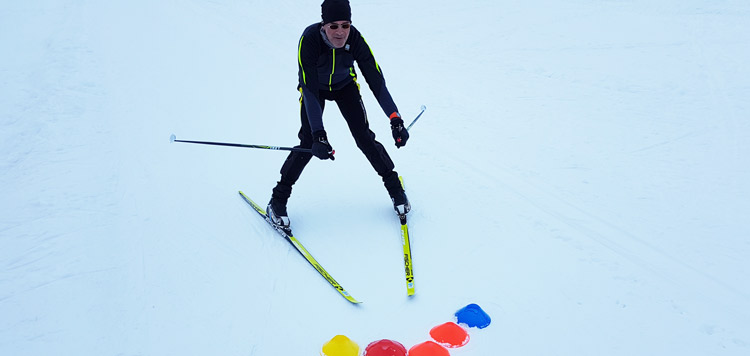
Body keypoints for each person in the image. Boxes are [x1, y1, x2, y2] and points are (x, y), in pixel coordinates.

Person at [266, 0, 410, 230]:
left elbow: (376, 81)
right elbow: (309, 89)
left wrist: (395, 119)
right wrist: (319, 135)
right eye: (334, 26)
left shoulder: (356, 40)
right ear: (324, 25)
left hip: (345, 86)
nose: (341, 32)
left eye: (346, 25)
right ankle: (277, 200)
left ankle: (395, 189)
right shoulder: (309, 40)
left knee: (364, 138)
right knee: (307, 142)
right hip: (316, 89)